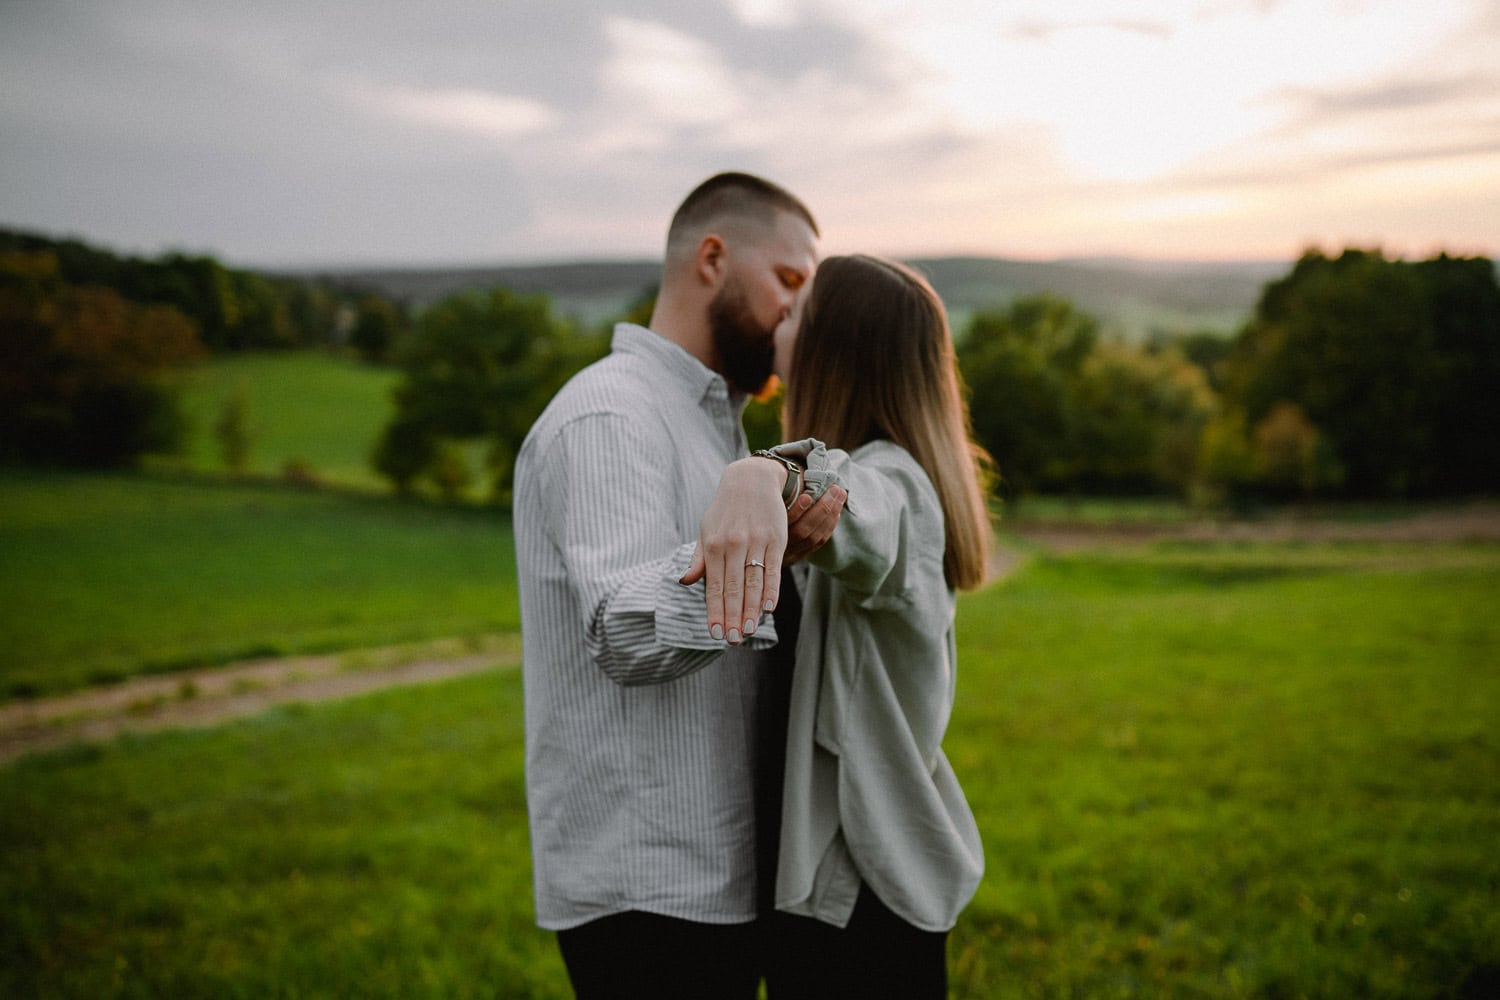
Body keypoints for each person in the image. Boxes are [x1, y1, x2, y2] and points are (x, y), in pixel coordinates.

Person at [512, 172, 847, 999]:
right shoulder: (611, 415)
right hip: (648, 886)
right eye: (789, 279)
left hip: (717, 874)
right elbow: (627, 629)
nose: (796, 312)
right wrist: (761, 564)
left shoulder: (715, 428)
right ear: (712, 259)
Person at [686, 254, 993, 998]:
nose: (777, 320)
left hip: (857, 898)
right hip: (843, 891)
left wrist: (766, 473)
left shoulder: (900, 484)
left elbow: (858, 509)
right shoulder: (902, 472)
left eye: (795, 313)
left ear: (834, 350)